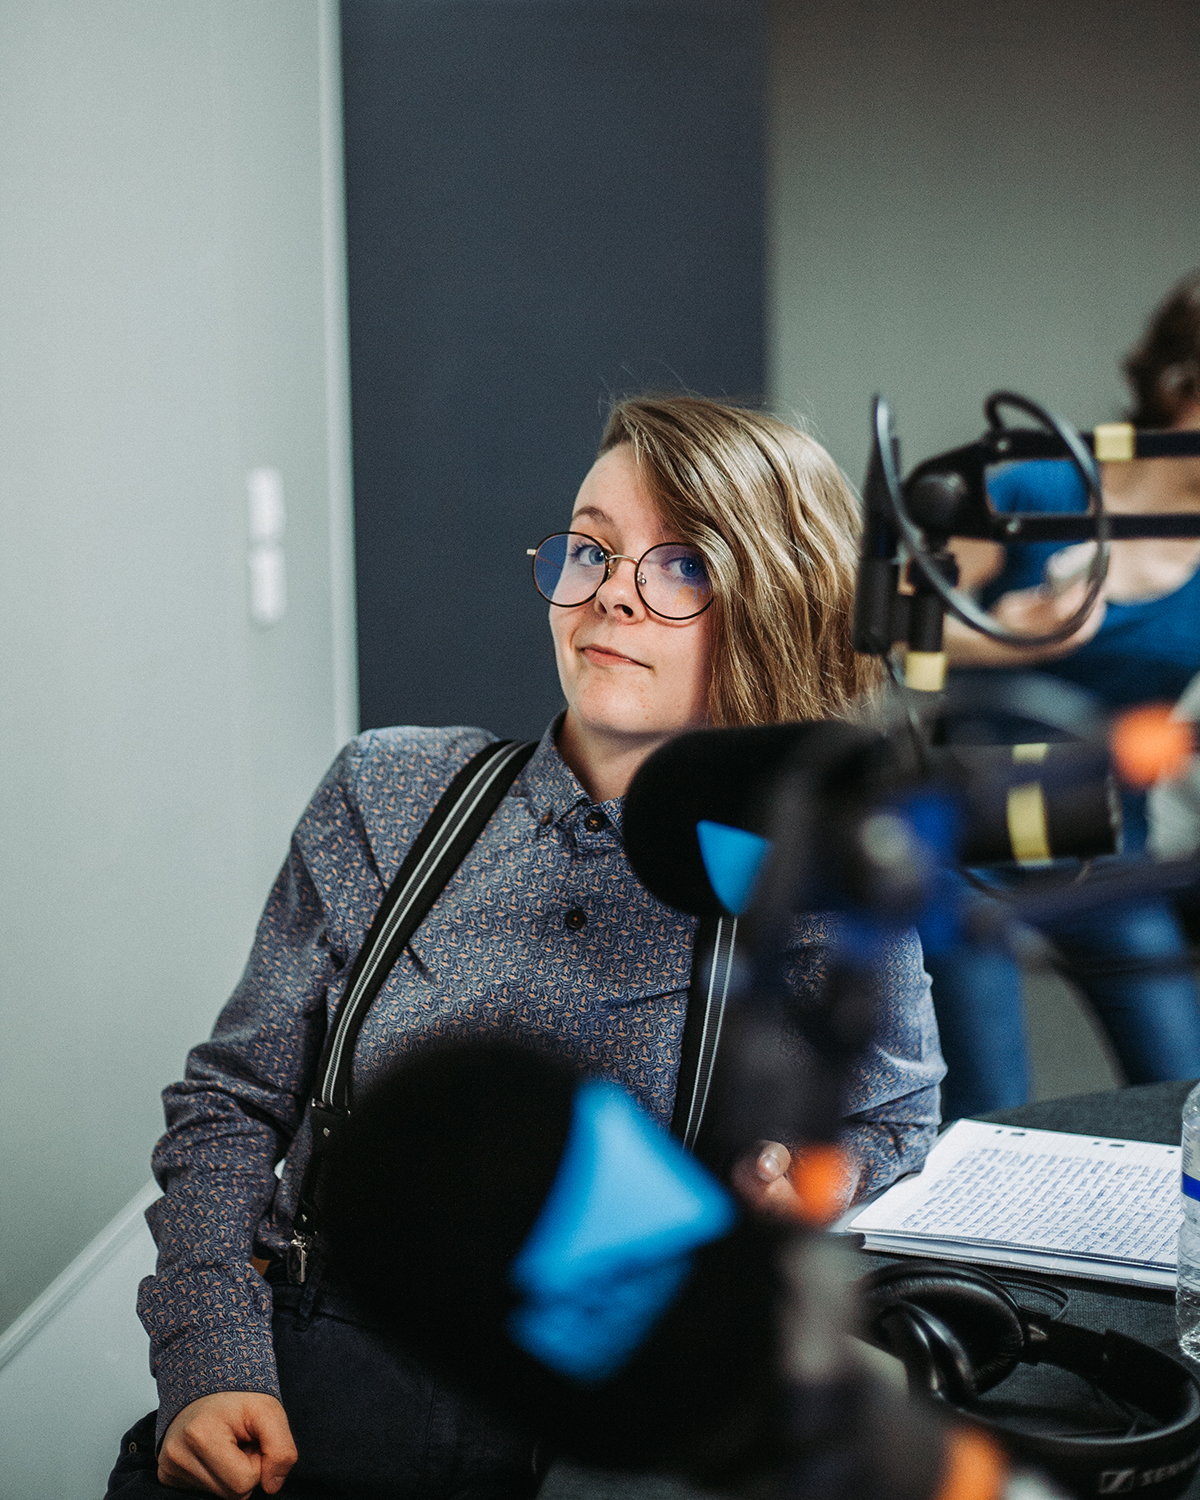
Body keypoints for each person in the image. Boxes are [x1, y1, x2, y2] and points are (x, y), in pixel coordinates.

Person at [108, 396, 944, 1500]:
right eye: (590, 549)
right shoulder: (388, 790)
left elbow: (893, 1120)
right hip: (320, 1395)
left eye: (682, 565)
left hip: (613, 1435)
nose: (609, 595)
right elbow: (231, 1100)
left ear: (772, 605)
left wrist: (807, 1189)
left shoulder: (818, 863)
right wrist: (208, 1360)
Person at [927, 272, 1200, 1119]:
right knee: (988, 1107)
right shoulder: (1036, 488)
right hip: (964, 838)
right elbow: (895, 634)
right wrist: (1002, 633)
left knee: (1184, 1093)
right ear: (1180, 385)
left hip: (1106, 848)